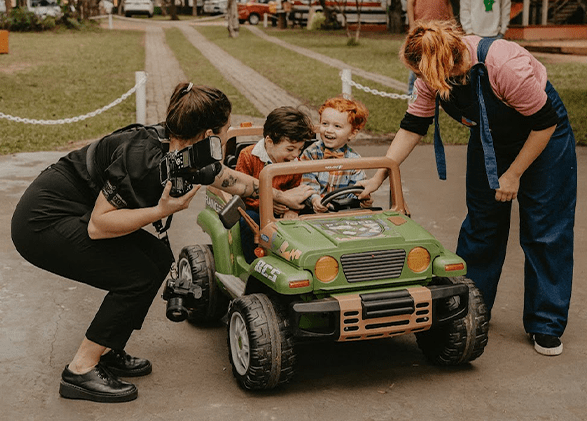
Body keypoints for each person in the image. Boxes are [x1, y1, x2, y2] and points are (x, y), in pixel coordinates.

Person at [10, 83, 313, 403]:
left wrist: (280, 196)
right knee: (135, 275)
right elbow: (99, 226)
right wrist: (161, 210)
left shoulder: (188, 149)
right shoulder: (144, 160)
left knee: (156, 258)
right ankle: (81, 368)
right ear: (210, 133)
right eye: (226, 130)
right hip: (42, 222)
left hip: (75, 208)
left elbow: (233, 180)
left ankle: (108, 350)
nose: (228, 136)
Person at [358, 20, 577, 356]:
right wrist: (378, 176)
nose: (420, 82)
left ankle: (545, 324)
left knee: (545, 229)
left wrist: (514, 174)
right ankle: (472, 309)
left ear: (444, 66)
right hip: (490, 138)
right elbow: (414, 124)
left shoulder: (502, 64)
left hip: (543, 136)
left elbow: (544, 122)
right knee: (481, 226)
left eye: (423, 76)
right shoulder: (432, 74)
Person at [235, 106, 315, 263]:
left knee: (309, 219)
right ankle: (254, 262)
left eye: (300, 149)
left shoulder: (296, 163)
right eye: (290, 149)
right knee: (247, 222)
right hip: (254, 210)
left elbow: (298, 189)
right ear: (269, 142)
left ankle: (299, 261)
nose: (295, 155)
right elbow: (241, 193)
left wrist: (292, 210)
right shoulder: (247, 156)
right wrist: (269, 204)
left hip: (283, 210)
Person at [300, 96, 372, 213]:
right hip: (312, 211)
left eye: (337, 126)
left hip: (342, 213)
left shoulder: (354, 160)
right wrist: (315, 200)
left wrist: (362, 199)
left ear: (352, 133)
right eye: (325, 124)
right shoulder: (311, 153)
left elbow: (357, 188)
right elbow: (306, 182)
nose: (329, 130)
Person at [406, 0, 454, 95]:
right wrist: (412, 25)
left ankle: (439, 93)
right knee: (418, 63)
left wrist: (452, 22)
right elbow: (410, 4)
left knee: (440, 63)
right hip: (422, 30)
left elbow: (448, 4)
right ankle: (411, 93)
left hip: (441, 29)